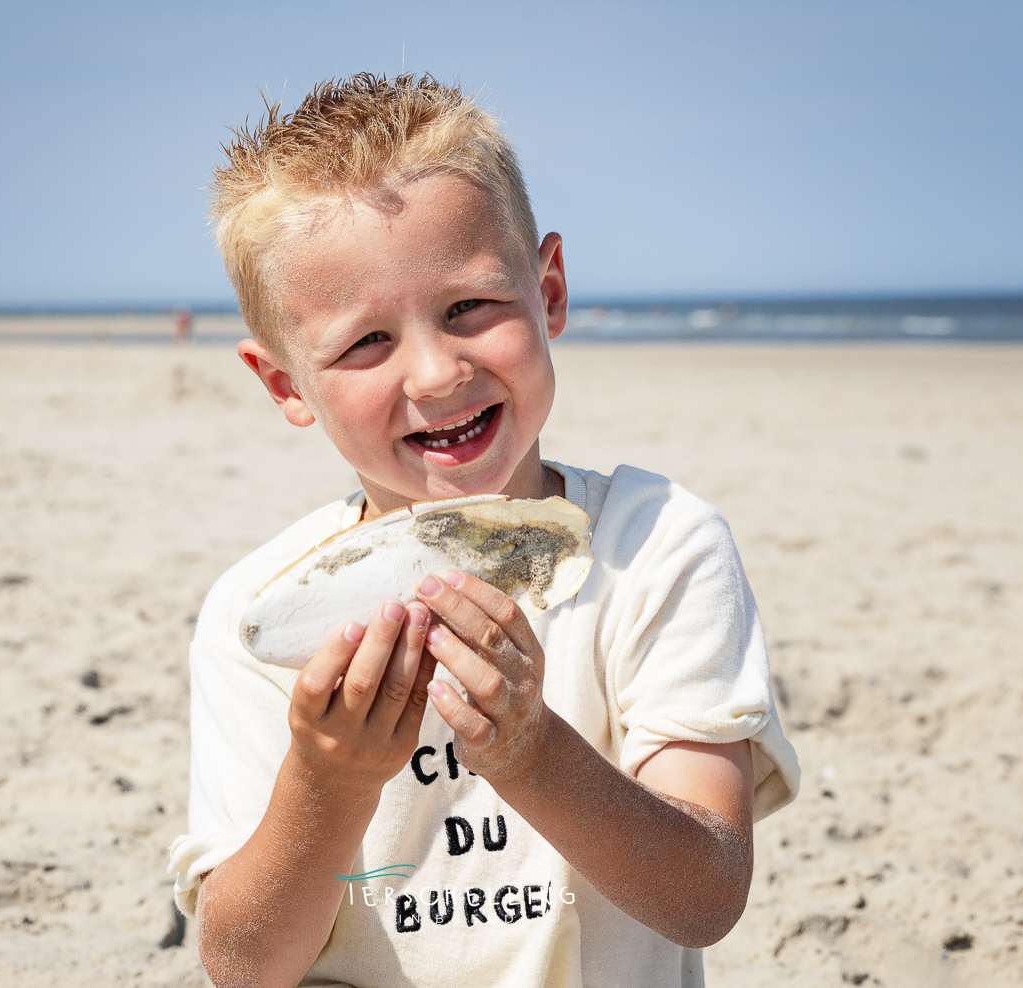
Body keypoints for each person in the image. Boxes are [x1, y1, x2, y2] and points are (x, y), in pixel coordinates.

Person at [167, 73, 799, 988]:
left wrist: (529, 750)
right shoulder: (259, 618)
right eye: (365, 343)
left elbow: (705, 894)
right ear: (285, 386)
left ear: (549, 293)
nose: (433, 372)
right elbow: (242, 963)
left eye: (469, 308)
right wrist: (328, 781)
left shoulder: (658, 546)